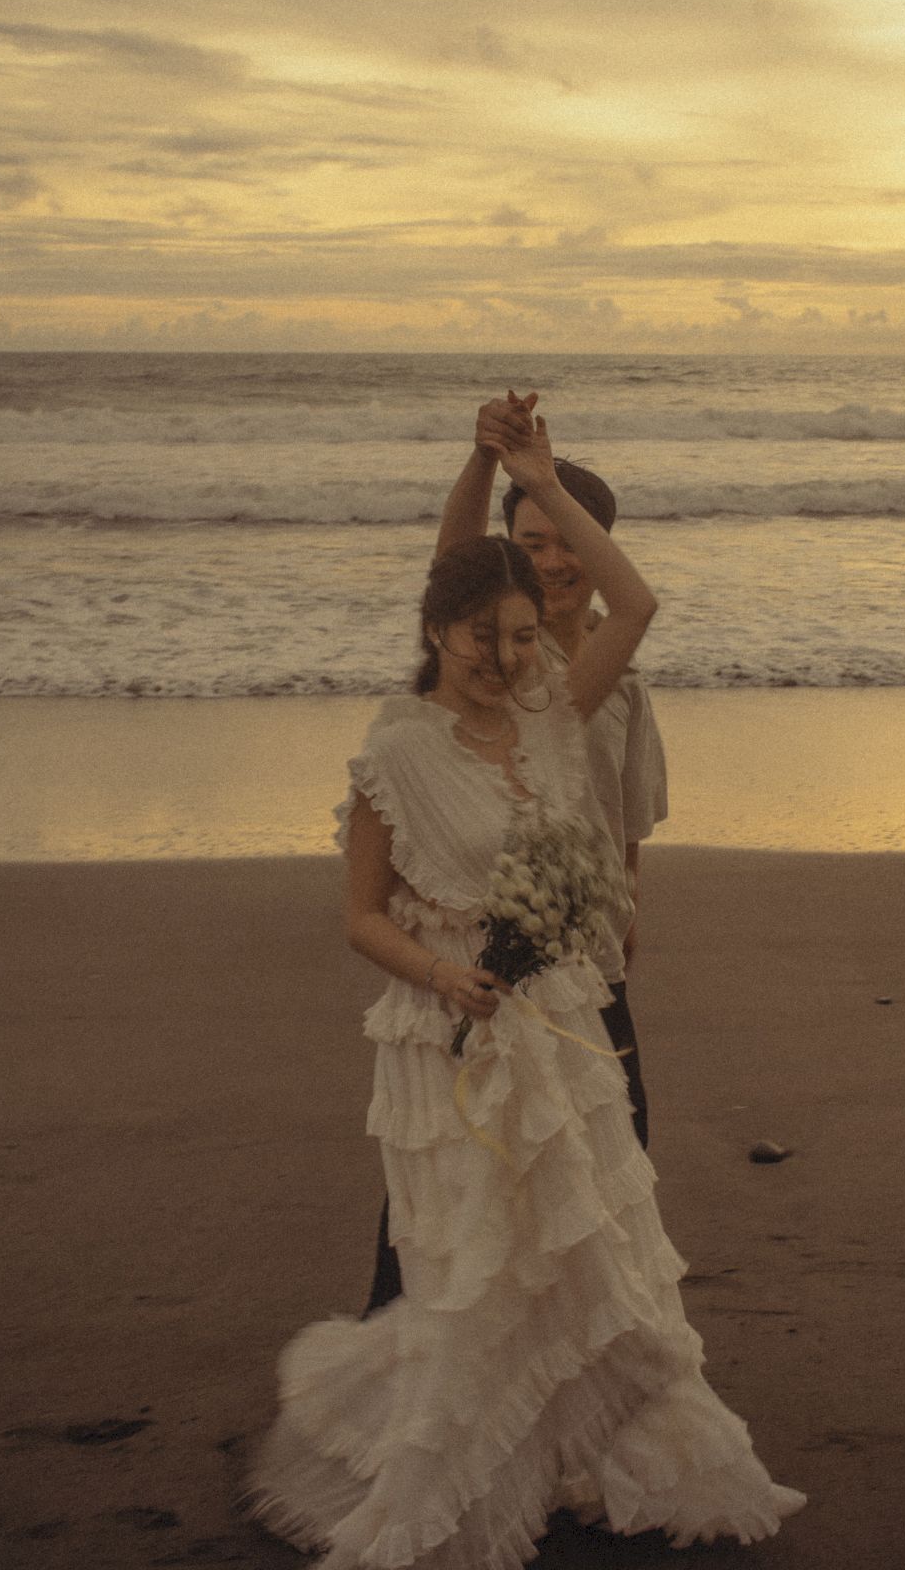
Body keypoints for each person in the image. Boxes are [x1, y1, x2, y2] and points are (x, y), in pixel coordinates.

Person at [244, 407, 805, 1566]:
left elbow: (634, 606)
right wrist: (486, 465)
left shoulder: (558, 707)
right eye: (483, 634)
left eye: (517, 635)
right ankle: (442, 1436)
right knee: (471, 1249)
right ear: (443, 628)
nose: (504, 654)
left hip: (565, 1003)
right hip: (453, 1022)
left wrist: (541, 477)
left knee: (589, 1237)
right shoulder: (402, 743)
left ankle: (585, 1434)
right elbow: (361, 913)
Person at [361, 393, 666, 1317]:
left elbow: (626, 823)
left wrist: (624, 905)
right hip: (476, 970)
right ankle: (414, 1340)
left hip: (581, 960)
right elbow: (452, 571)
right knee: (456, 1185)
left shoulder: (589, 693)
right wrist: (493, 460)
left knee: (604, 1163)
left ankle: (592, 1343)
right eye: (533, 544)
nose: (555, 561)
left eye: (569, 544)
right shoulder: (475, 697)